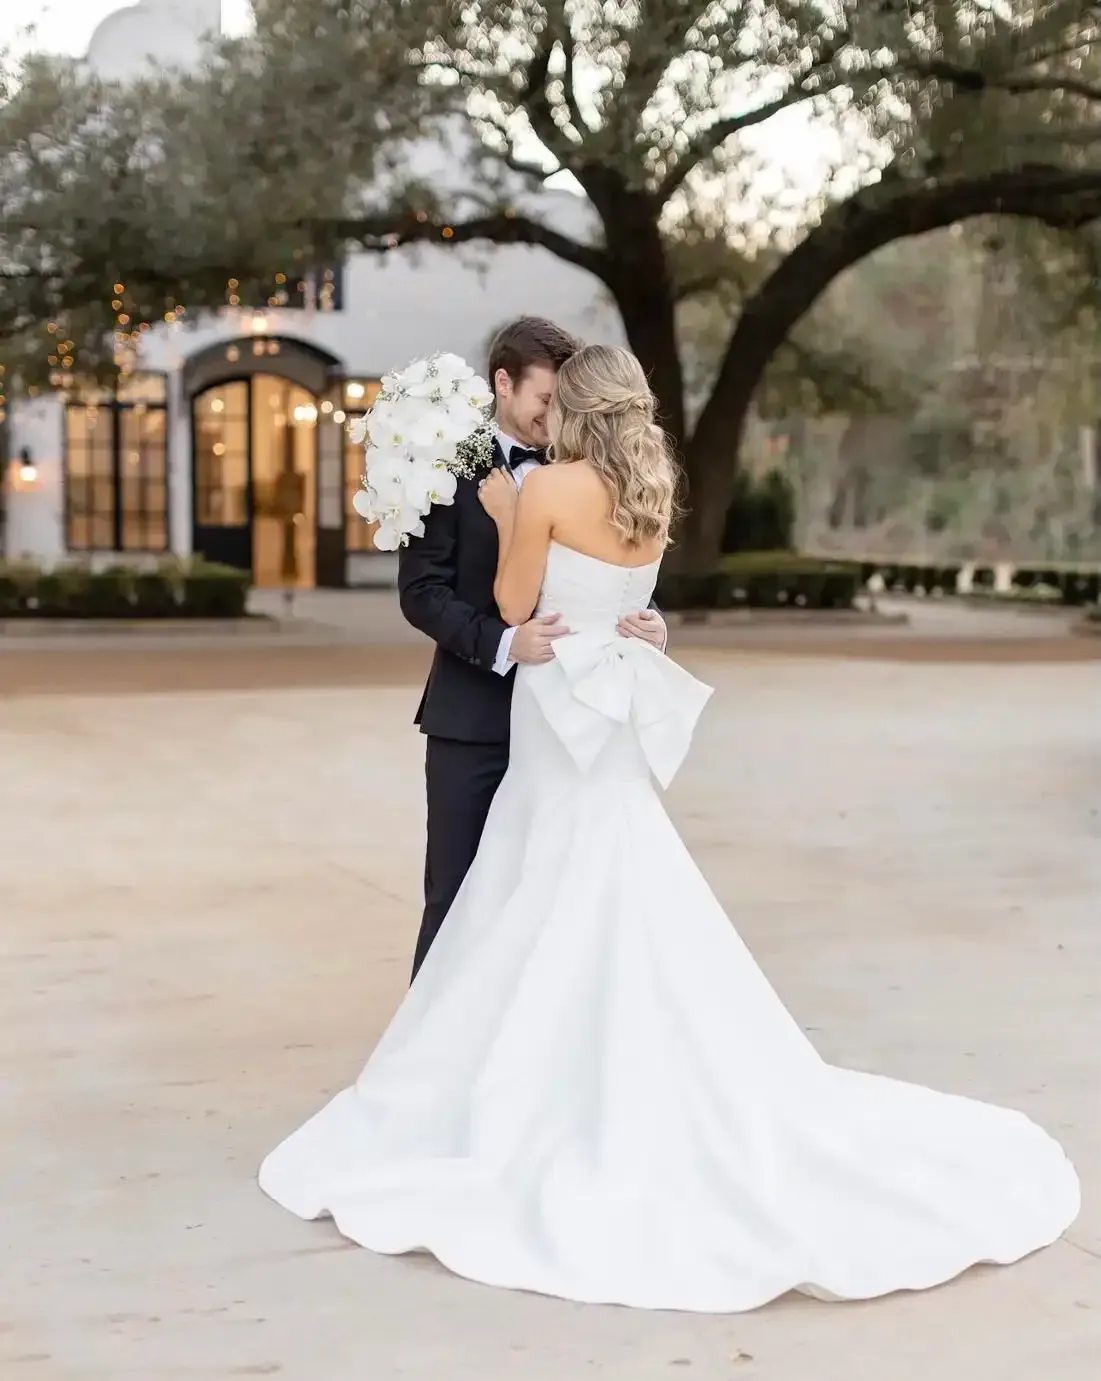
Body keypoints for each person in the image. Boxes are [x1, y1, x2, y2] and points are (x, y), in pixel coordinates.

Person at [259, 345, 1079, 1313]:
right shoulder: (646, 491)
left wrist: (508, 515)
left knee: (527, 898)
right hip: (603, 732)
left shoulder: (552, 489)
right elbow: (634, 605)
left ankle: (509, 1100)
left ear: (577, 408)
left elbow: (518, 606)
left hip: (557, 722)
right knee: (604, 898)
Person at [396, 316, 665, 980]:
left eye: (564, 403)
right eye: (545, 400)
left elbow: (610, 577)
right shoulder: (449, 462)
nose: (554, 416)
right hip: (473, 720)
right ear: (503, 383)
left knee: (548, 900)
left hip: (568, 724)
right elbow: (421, 592)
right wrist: (505, 643)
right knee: (456, 896)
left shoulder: (580, 470)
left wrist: (653, 622)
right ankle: (430, 1057)